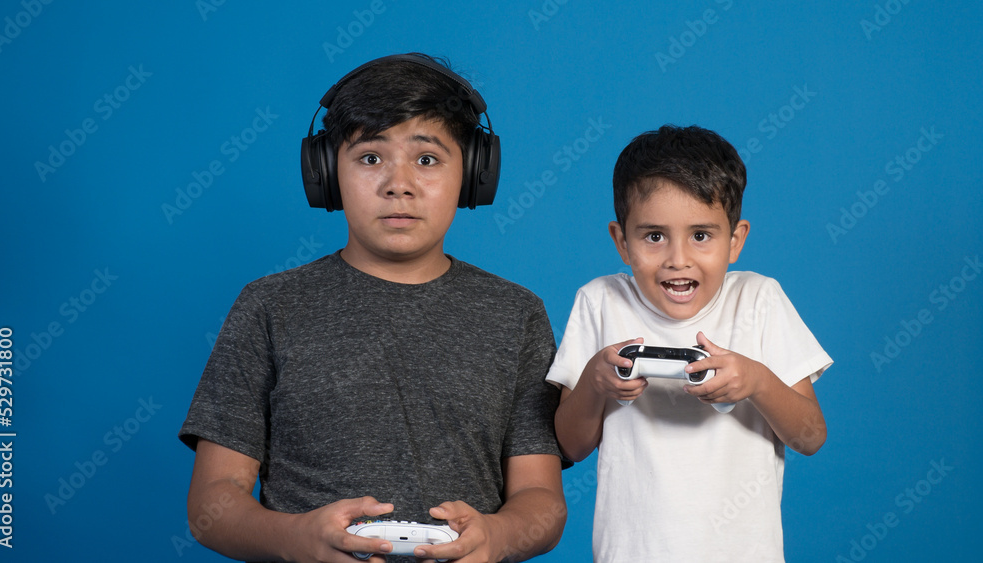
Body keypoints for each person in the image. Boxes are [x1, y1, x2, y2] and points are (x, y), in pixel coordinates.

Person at [179, 53, 567, 563]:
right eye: (369, 158)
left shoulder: (515, 314)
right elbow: (212, 501)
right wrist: (299, 540)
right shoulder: (269, 306)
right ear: (325, 173)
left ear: (474, 174)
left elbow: (541, 501)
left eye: (427, 159)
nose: (397, 184)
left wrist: (495, 538)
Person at [546, 125, 832, 561]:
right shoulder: (600, 301)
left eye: (701, 235)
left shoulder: (758, 299)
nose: (678, 259)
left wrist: (757, 381)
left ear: (735, 241)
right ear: (622, 241)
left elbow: (811, 436)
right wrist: (595, 383)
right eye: (654, 236)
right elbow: (570, 446)